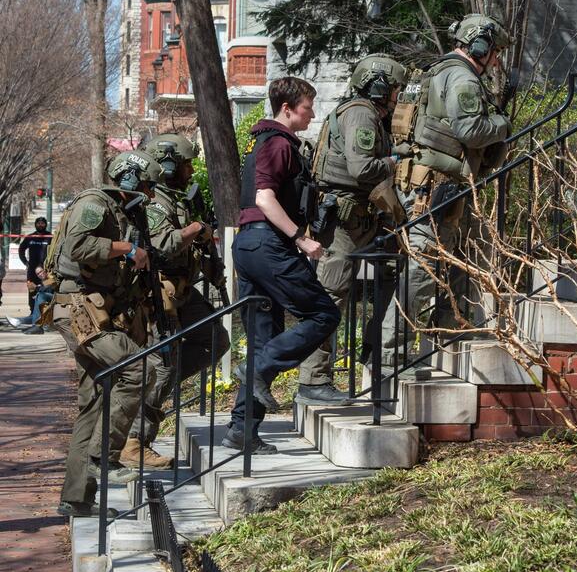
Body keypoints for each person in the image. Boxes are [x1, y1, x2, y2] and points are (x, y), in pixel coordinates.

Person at [379, 14, 512, 369]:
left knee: (444, 265)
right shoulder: (461, 77)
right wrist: (503, 124)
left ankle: (446, 337)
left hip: (430, 184)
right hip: (433, 187)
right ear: (480, 45)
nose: (496, 60)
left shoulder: (437, 71)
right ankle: (389, 355)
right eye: (495, 51)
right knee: (423, 269)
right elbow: (471, 130)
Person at [224, 76, 340, 454]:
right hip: (268, 243)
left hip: (251, 245)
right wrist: (300, 238)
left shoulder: (263, 140)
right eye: (308, 107)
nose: (313, 114)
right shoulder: (276, 142)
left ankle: (243, 429)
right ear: (287, 108)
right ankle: (256, 370)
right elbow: (265, 197)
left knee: (263, 339)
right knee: (323, 314)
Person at [52, 150, 161, 517]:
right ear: (129, 177)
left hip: (96, 310)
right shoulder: (94, 202)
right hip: (78, 309)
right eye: (145, 183)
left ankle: (77, 498)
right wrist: (127, 248)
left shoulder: (122, 210)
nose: (148, 191)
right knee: (139, 369)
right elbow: (76, 246)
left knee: (95, 401)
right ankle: (103, 457)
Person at [297, 54, 407, 402]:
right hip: (343, 223)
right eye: (393, 88)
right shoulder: (360, 113)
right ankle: (313, 381)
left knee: (390, 280)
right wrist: (396, 159)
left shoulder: (365, 113)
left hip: (361, 219)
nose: (395, 95)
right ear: (378, 85)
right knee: (329, 299)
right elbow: (362, 169)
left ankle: (375, 354)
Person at [118, 134, 231, 470]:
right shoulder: (153, 202)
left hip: (183, 289)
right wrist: (197, 229)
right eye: (186, 163)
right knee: (163, 364)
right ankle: (135, 440)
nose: (190, 168)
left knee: (216, 340)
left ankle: (152, 398)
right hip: (158, 291)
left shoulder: (179, 199)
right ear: (167, 164)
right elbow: (164, 245)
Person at [6, 266, 54, 334]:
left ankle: (36, 326)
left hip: (55, 301)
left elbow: (48, 288)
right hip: (48, 307)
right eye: (38, 274)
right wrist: (35, 291)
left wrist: (36, 288)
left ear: (45, 270)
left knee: (40, 295)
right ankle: (18, 321)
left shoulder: (51, 278)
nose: (40, 274)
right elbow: (43, 289)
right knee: (35, 315)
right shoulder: (42, 282)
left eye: (41, 271)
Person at [19, 216, 52, 312]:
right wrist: (25, 262)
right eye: (38, 223)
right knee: (32, 290)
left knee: (46, 288)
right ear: (35, 225)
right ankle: (32, 310)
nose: (40, 225)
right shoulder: (30, 237)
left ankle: (45, 312)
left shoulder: (50, 237)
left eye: (42, 223)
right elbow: (21, 249)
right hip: (32, 270)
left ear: (45, 225)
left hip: (45, 271)